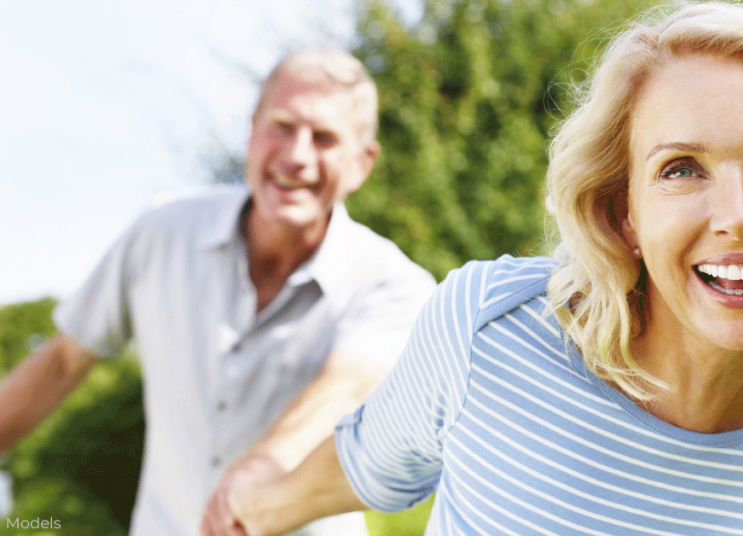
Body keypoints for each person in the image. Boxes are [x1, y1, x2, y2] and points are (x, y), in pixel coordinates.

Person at [226, 3, 743, 535]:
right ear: (624, 215)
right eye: (681, 170)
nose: (738, 214)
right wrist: (248, 510)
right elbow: (365, 466)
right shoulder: (490, 329)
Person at [0, 49, 436, 536]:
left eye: (325, 139)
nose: (297, 156)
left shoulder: (397, 284)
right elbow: (62, 363)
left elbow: (348, 385)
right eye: (283, 126)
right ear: (251, 133)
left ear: (361, 163)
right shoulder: (160, 233)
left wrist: (261, 468)